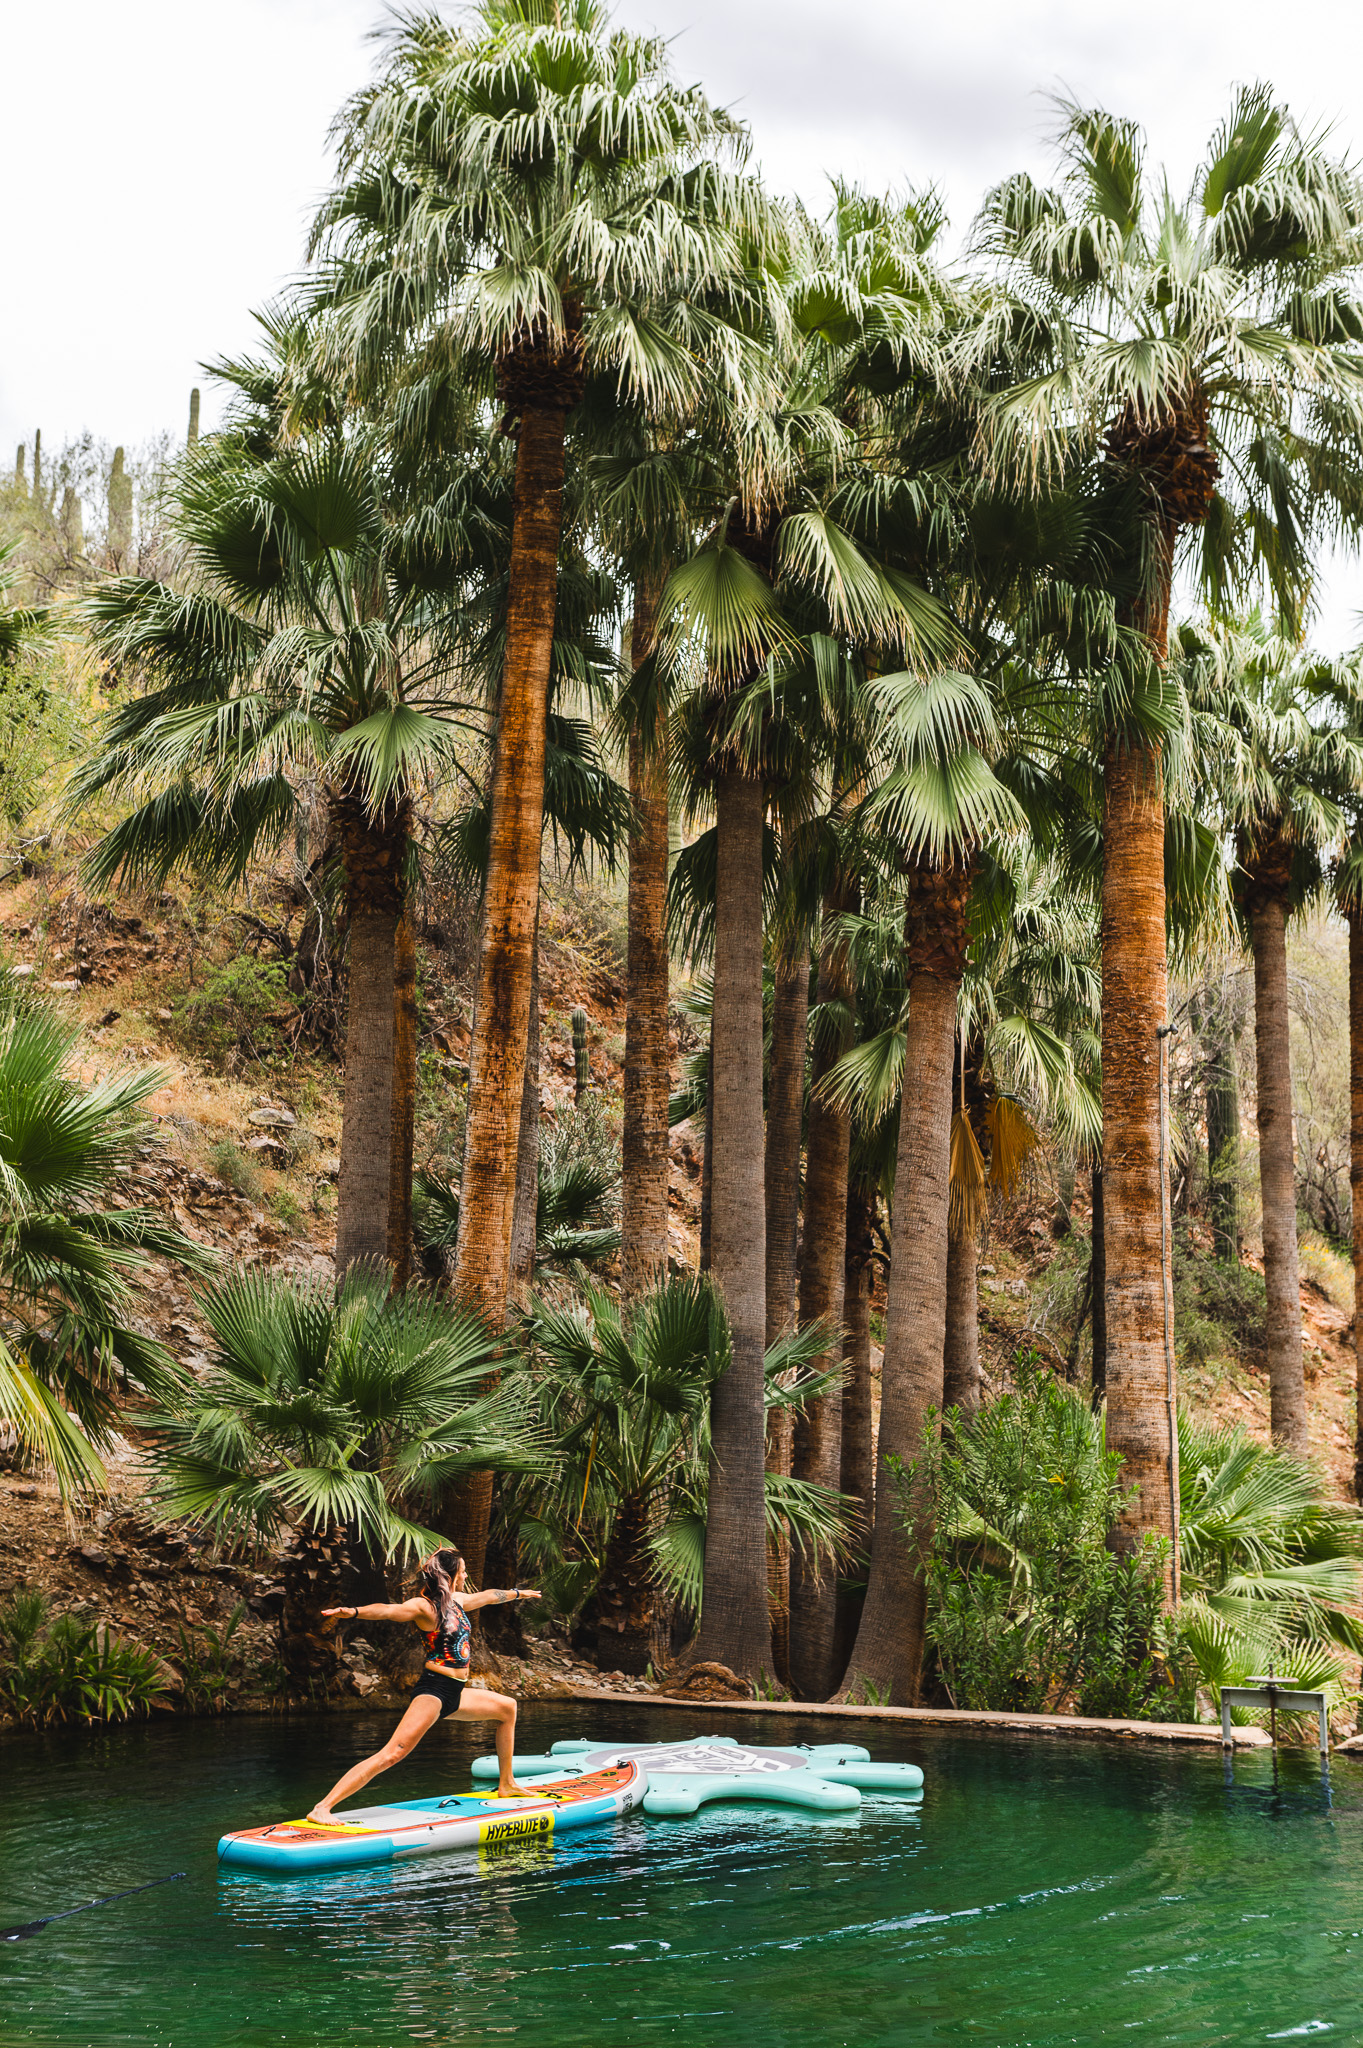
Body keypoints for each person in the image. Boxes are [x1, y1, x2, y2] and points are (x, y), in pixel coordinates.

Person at [305, 1549, 540, 1823]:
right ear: (449, 1576)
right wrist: (354, 1612)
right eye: (462, 1571)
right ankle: (322, 1808)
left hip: (456, 1691)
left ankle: (507, 1784)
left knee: (507, 1708)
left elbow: (488, 1596)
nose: (465, 1575)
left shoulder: (458, 1602)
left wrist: (518, 1593)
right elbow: (389, 1611)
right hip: (434, 1691)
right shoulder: (425, 1607)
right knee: (393, 1754)